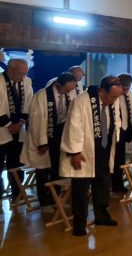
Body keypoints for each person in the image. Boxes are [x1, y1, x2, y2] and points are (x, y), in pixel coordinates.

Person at [59, 76, 122, 236]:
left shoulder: (112, 100)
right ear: (101, 91)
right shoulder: (81, 101)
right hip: (84, 152)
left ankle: (101, 215)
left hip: (104, 148)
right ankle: (79, 223)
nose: (115, 100)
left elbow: (114, 122)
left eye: (117, 97)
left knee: (102, 185)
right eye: (112, 97)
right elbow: (73, 126)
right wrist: (74, 152)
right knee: (81, 190)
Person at [22, 72, 77, 208]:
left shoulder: (70, 93)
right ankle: (44, 202)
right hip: (44, 135)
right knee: (43, 170)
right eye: (66, 90)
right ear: (58, 85)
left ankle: (56, 199)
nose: (68, 93)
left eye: (71, 90)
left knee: (58, 168)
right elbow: (36, 122)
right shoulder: (42, 96)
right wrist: (42, 143)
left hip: (60, 135)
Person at [0, 58, 33, 200]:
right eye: (20, 73)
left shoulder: (27, 81)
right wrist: (9, 125)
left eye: (25, 73)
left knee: (17, 163)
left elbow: (28, 103)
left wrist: (20, 122)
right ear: (10, 70)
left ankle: (18, 193)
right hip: (1, 130)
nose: (23, 76)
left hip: (19, 128)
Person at [111, 73, 132, 192]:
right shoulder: (113, 94)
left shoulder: (128, 94)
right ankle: (115, 184)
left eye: (129, 88)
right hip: (114, 131)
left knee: (120, 159)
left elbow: (130, 111)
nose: (126, 90)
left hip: (124, 129)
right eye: (125, 88)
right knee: (114, 159)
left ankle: (118, 182)